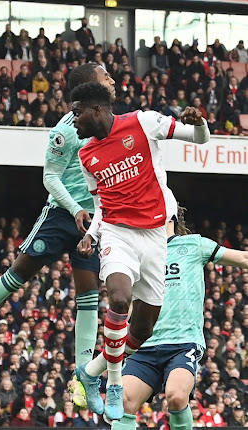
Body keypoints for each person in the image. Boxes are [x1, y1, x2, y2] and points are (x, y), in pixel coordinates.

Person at [0, 63, 115, 395]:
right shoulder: (65, 131)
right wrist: (75, 208)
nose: (111, 79)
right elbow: (50, 178)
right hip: (62, 215)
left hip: (93, 222)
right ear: (89, 86)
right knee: (18, 274)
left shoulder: (112, 124)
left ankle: (82, 377)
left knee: (88, 296)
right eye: (104, 75)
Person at [70, 82, 210, 420]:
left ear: (97, 110)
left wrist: (198, 121)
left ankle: (90, 372)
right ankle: (113, 382)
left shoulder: (143, 123)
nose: (73, 120)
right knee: (119, 300)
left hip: (154, 236)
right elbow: (101, 204)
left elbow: (200, 139)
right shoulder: (86, 155)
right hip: (118, 234)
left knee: (143, 329)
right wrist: (93, 233)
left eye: (77, 112)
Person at [111, 208, 248, 430]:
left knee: (175, 396)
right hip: (144, 346)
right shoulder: (139, 253)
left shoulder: (194, 245)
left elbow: (242, 257)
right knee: (123, 402)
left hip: (182, 343)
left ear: (170, 216)